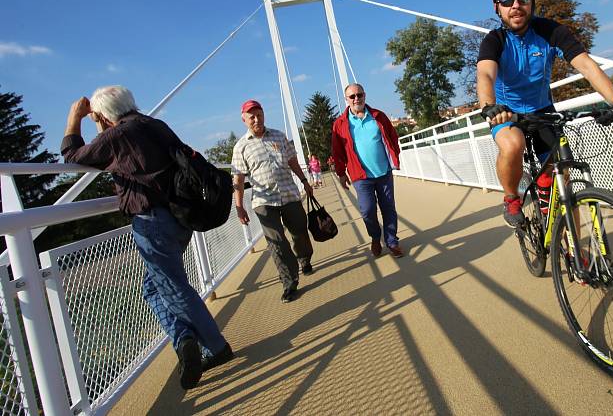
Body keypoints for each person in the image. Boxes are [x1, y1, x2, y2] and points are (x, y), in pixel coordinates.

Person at [61, 85, 233, 391]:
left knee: (173, 287)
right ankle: (185, 339)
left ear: (102, 115)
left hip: (152, 223)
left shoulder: (117, 136)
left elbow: (72, 156)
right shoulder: (154, 124)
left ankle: (215, 346)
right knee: (154, 287)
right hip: (180, 218)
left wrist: (75, 118)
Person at [477, 0, 613, 228]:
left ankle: (577, 251)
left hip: (543, 109)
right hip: (507, 112)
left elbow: (586, 65)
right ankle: (511, 198)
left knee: (562, 177)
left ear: (533, 3)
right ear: (498, 8)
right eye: (508, 1)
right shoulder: (495, 40)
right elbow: (485, 73)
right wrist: (490, 106)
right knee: (513, 145)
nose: (516, 6)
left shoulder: (550, 31)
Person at [231, 99, 315, 303]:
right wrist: (239, 206)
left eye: (259, 114)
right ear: (244, 120)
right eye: (251, 116)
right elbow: (239, 179)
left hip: (288, 194)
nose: (256, 119)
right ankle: (289, 282)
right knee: (276, 242)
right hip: (263, 201)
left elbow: (292, 160)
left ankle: (304, 259)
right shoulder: (240, 147)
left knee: (299, 232)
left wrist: (305, 181)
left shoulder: (278, 135)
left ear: (264, 115)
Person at [331, 83, 403, 258]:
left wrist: (395, 157)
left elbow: (393, 138)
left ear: (365, 95)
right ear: (346, 100)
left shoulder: (378, 116)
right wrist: (341, 174)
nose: (357, 99)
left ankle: (392, 241)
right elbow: (337, 152)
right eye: (352, 96)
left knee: (388, 208)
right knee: (367, 210)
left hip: (384, 172)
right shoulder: (340, 124)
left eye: (359, 95)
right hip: (360, 176)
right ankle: (375, 238)